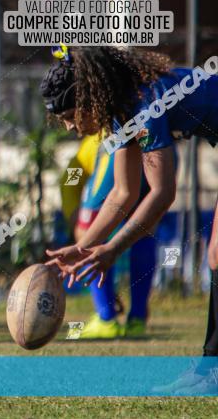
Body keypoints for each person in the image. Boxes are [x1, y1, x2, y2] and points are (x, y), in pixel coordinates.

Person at [42, 46, 218, 393]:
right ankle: (208, 368)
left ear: (90, 96)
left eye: (69, 114)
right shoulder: (122, 113)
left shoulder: (144, 102)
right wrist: (83, 246)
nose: (69, 126)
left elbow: (161, 194)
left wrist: (112, 249)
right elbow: (122, 194)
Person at [58, 131, 158, 339]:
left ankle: (106, 318)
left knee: (88, 233)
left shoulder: (93, 143)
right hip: (159, 146)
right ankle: (137, 318)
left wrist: (77, 219)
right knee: (144, 230)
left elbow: (68, 182)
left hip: (115, 152)